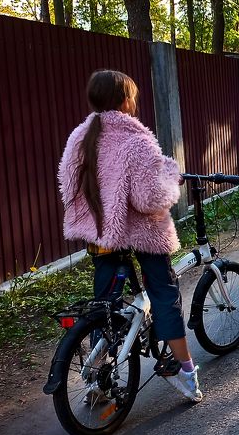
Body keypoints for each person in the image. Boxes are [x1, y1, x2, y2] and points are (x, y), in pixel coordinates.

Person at [57, 69, 203, 402]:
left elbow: (67, 186)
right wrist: (169, 174)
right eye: (132, 96)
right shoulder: (135, 140)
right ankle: (186, 372)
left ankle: (98, 382)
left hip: (101, 236)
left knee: (104, 308)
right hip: (141, 233)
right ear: (125, 101)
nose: (134, 101)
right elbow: (148, 198)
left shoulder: (79, 137)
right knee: (165, 294)